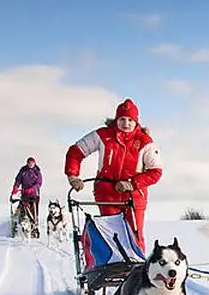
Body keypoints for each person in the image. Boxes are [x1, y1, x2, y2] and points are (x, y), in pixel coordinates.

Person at [64, 98, 163, 245]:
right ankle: (113, 267)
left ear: (136, 121)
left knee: (135, 237)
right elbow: (75, 152)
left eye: (130, 120)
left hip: (134, 197)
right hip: (107, 195)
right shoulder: (103, 136)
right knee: (112, 237)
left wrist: (131, 184)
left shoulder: (145, 142)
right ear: (116, 119)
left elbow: (155, 172)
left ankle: (137, 266)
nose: (126, 123)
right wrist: (73, 176)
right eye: (122, 119)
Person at [11, 156, 43, 234]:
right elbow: (18, 180)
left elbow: (39, 183)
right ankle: (22, 223)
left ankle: (34, 225)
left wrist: (32, 189)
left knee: (34, 210)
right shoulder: (23, 171)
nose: (31, 164)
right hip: (24, 193)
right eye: (29, 163)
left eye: (32, 163)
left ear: (34, 163)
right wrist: (15, 187)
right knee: (23, 208)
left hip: (34, 194)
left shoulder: (37, 172)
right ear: (27, 163)